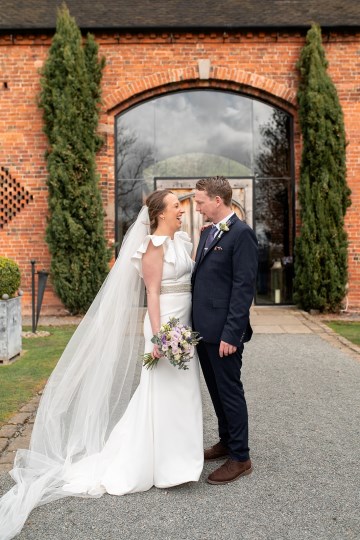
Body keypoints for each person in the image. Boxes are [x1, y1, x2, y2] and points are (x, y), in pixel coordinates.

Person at [0, 190, 203, 540]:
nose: (181, 212)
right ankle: (159, 464)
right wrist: (158, 338)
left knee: (184, 393)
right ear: (159, 213)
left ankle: (182, 460)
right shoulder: (153, 247)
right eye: (175, 207)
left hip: (183, 325)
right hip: (165, 325)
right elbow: (152, 293)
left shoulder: (181, 241)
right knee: (162, 391)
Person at [192, 176, 258, 485]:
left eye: (200, 200)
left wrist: (232, 334)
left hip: (224, 335)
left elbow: (243, 289)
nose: (196, 205)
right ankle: (226, 441)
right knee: (216, 392)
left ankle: (240, 457)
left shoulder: (242, 234)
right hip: (203, 331)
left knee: (230, 392)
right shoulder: (207, 232)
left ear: (217, 201)